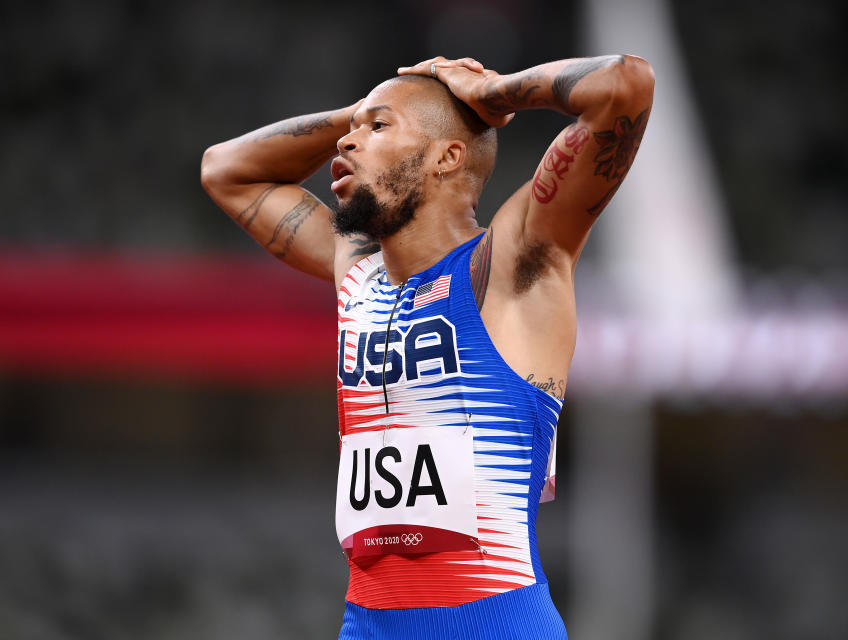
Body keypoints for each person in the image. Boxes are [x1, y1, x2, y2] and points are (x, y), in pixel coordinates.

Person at [201, 53, 654, 640]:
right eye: (351, 131)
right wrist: (365, 110)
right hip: (367, 622)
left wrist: (493, 93)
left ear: (447, 157)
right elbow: (224, 170)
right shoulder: (358, 269)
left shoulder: (513, 264)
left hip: (491, 620)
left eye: (378, 128)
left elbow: (626, 83)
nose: (348, 142)